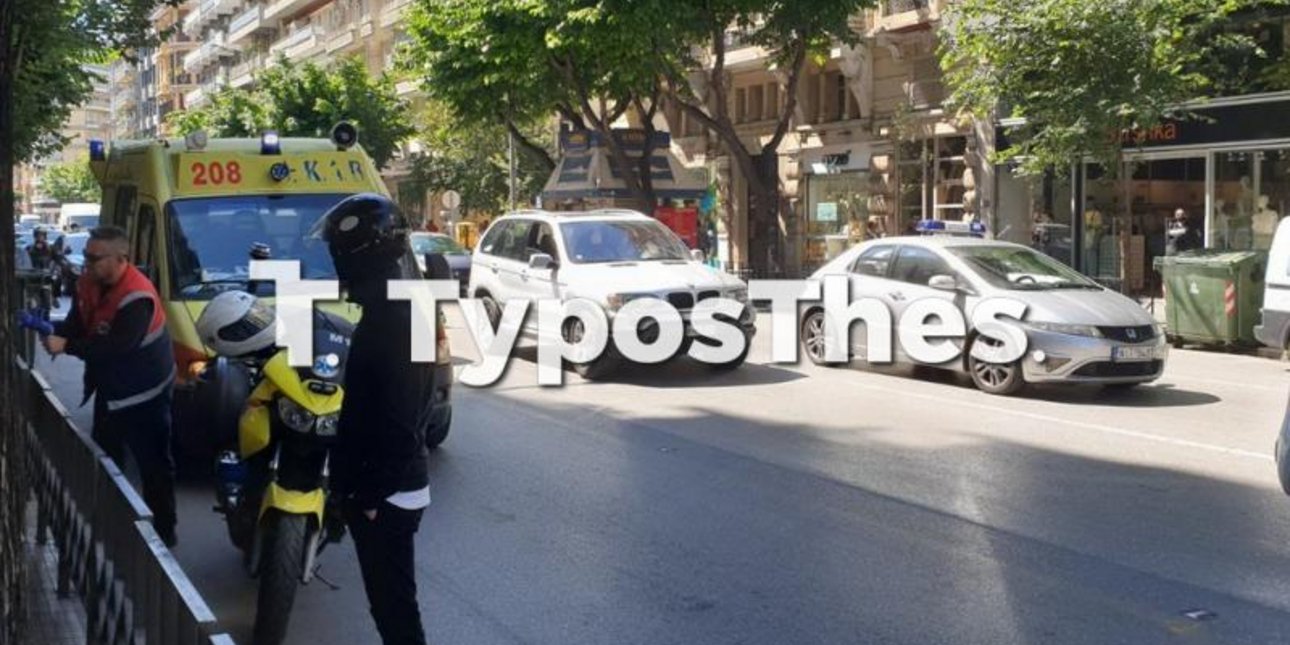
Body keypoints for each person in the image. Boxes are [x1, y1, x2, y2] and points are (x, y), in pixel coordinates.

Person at [316, 193, 433, 645]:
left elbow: (403, 423)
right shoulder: (389, 309)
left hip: (389, 494)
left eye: (337, 252)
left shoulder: (395, 321)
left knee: (395, 609)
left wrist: (369, 495)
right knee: (389, 606)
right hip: (385, 490)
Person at [43, 226, 178, 546]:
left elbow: (115, 347)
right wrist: (52, 327)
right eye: (86, 255)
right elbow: (79, 323)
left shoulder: (137, 296)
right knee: (106, 462)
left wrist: (66, 345)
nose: (87, 263)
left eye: (95, 258)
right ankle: (112, 530)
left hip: (147, 394)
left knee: (154, 465)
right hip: (112, 389)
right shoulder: (88, 282)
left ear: (121, 259)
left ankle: (163, 535)